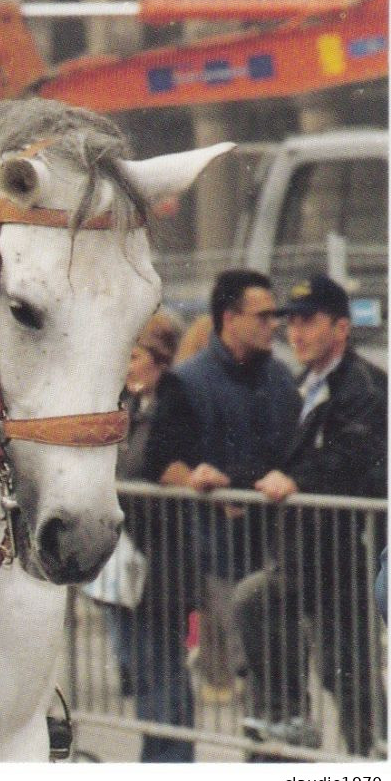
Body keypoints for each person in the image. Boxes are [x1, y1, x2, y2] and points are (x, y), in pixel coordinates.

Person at [233, 275, 387, 755]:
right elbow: (281, 456)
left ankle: (371, 761)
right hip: (305, 552)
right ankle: (290, 717)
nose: (295, 333)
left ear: (340, 328)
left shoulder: (365, 386)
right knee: (257, 600)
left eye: (308, 321)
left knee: (351, 674)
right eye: (291, 322)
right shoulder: (302, 383)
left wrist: (298, 481)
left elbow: (355, 454)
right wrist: (230, 479)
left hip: (348, 556)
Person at [150, 270, 302, 746]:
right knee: (250, 668)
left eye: (275, 315)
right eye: (263, 316)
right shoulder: (186, 382)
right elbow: (159, 461)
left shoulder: (281, 378)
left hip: (280, 550)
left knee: (284, 669)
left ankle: (277, 761)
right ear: (229, 319)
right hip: (217, 553)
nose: (273, 325)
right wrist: (192, 477)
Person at [104, 312, 183, 698]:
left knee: (159, 662)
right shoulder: (133, 403)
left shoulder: (174, 399)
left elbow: (158, 464)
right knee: (133, 650)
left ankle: (167, 752)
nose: (126, 366)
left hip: (160, 548)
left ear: (159, 359)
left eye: (134, 356)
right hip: (128, 543)